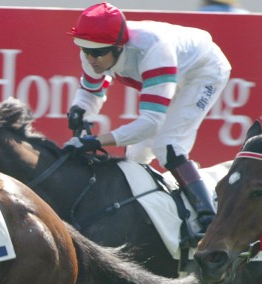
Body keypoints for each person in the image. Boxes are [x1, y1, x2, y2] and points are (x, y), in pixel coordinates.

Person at [64, 2, 231, 235]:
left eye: (99, 52)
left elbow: (152, 123)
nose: (92, 59)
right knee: (136, 155)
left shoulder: (153, 51)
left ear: (119, 47)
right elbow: (92, 91)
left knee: (168, 145)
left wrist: (97, 141)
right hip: (175, 68)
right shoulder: (96, 49)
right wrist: (79, 109)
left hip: (203, 72)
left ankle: (209, 221)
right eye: (85, 50)